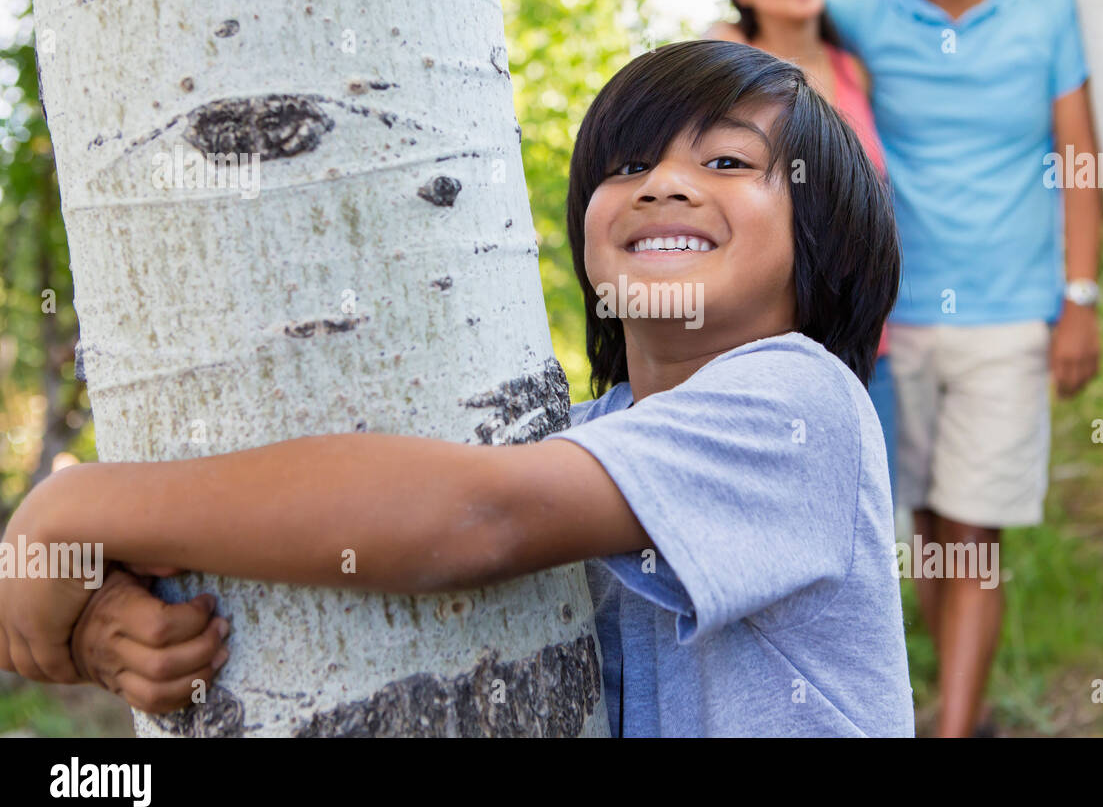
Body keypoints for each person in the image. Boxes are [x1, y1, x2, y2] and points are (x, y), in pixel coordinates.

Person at [0, 40, 914, 738]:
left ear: (823, 242)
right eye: (628, 165)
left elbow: (471, 518)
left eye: (726, 163)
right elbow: (353, 508)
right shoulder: (589, 436)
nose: (663, 185)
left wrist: (80, 507)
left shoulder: (800, 403)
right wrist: (99, 627)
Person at [829, 0, 1103, 737]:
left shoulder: (1050, 14)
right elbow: (775, 23)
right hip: (897, 322)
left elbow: (1079, 160)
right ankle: (955, 706)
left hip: (1011, 316)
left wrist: (1081, 299)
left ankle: (952, 727)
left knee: (974, 532)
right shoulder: (866, 19)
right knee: (925, 537)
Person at [704, 0, 899, 497]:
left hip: (869, 338)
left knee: (867, 524)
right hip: (775, 341)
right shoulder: (735, 67)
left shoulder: (850, 69)